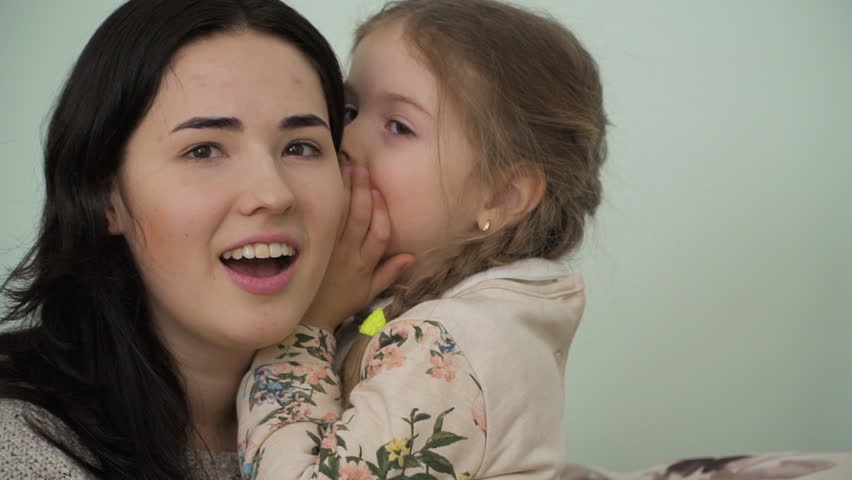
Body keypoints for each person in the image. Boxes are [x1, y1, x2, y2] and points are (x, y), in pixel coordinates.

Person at [236, 0, 608, 478]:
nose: (343, 140)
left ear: (504, 194)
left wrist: (309, 328)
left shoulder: (449, 337)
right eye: (349, 109)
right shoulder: (413, 309)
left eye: (399, 126)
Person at [0, 0, 350, 478]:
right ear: (106, 197)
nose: (273, 194)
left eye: (301, 147)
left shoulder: (396, 406)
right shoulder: (19, 445)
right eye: (203, 150)